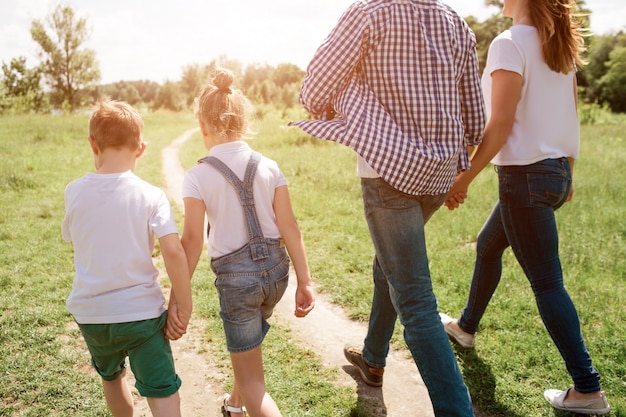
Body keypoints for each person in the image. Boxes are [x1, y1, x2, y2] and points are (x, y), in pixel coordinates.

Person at [290, 1, 485, 415]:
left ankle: (457, 410)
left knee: (414, 298)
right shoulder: (455, 22)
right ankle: (374, 360)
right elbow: (475, 116)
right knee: (392, 265)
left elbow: (314, 89)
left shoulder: (370, 12)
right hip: (437, 174)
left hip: (389, 172)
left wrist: (339, 105)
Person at [439, 0, 611, 414]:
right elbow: (569, 115)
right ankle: (465, 327)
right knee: (487, 244)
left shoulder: (509, 42)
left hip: (525, 177)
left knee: (547, 283)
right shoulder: (560, 47)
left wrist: (463, 177)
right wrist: (566, 172)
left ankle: (588, 389)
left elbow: (500, 123)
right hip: (554, 174)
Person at [179, 68, 315, 417]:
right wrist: (305, 280)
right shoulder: (269, 166)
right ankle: (234, 406)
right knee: (249, 349)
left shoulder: (197, 176)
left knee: (256, 383)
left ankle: (247, 401)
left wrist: (177, 294)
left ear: (203, 127)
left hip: (238, 283)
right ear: (242, 122)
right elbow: (290, 226)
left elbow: (192, 240)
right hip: (276, 275)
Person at [62, 99, 193, 417]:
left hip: (92, 315)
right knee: (162, 390)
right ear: (141, 148)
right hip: (141, 316)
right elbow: (174, 251)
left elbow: (74, 238)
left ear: (92, 144)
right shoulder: (151, 195)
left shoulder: (74, 191)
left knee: (112, 377)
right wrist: (183, 305)